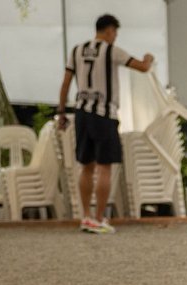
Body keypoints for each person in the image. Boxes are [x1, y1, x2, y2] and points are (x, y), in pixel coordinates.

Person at [56, 13, 154, 234]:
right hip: (104, 114)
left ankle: (86, 216)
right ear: (109, 31)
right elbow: (142, 67)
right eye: (115, 33)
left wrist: (61, 111)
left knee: (86, 166)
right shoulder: (112, 51)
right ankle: (100, 218)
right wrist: (148, 58)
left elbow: (65, 83)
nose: (115, 37)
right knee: (105, 167)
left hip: (81, 112)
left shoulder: (76, 50)